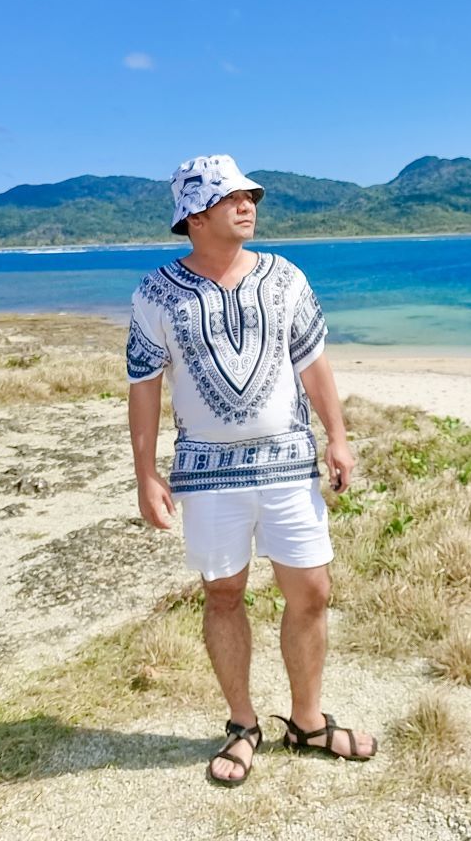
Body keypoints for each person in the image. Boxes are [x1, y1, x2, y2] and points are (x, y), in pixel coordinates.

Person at [126, 154, 377, 786]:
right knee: (223, 594)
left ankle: (308, 722)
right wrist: (146, 474)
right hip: (208, 474)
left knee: (312, 591)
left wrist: (337, 438)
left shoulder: (285, 277)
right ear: (195, 215)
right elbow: (144, 386)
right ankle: (242, 725)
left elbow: (313, 363)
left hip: (288, 464)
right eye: (231, 197)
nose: (248, 205)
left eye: (250, 196)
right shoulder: (155, 292)